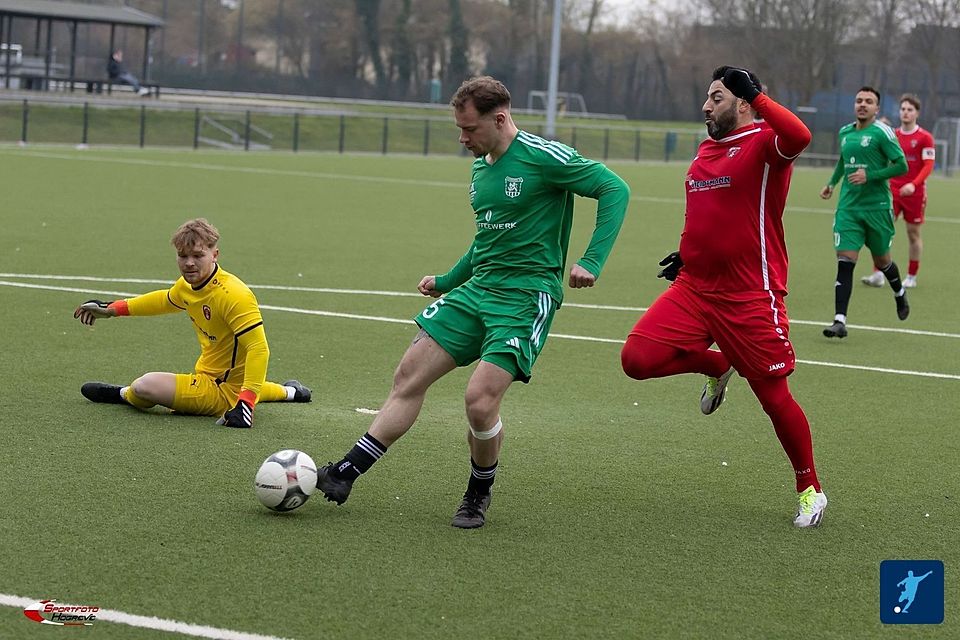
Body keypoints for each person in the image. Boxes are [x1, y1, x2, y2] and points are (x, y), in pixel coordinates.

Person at [312, 75, 630, 529]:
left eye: (470, 129)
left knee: (480, 401)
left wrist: (591, 260)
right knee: (408, 375)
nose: (462, 139)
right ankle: (347, 472)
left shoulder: (544, 157)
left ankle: (479, 490)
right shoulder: (481, 168)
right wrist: (447, 279)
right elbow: (486, 242)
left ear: (499, 119)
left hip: (525, 297)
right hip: (478, 290)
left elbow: (615, 189)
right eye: (459, 129)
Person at [620, 66, 827, 528]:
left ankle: (810, 488)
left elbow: (801, 135)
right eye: (707, 97)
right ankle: (716, 365)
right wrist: (687, 253)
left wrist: (757, 93)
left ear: (744, 102)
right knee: (637, 359)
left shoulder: (765, 144)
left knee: (773, 398)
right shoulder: (705, 150)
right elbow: (704, 212)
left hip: (749, 293)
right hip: (695, 286)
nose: (706, 106)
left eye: (716, 97)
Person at [73, 218, 312, 427]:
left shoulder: (233, 294)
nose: (189, 263)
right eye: (183, 256)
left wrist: (245, 404)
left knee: (145, 385)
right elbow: (164, 300)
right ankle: (293, 392)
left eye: (198, 256)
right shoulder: (187, 286)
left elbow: (259, 348)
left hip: (222, 390)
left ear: (214, 255)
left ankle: (123, 394)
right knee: (240, 384)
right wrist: (112, 309)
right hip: (214, 377)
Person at [820, 87, 909, 338]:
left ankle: (899, 293)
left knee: (883, 262)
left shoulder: (883, 133)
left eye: (869, 102)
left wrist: (870, 175)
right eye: (859, 100)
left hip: (877, 208)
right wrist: (831, 183)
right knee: (845, 261)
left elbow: (901, 165)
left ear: (877, 108)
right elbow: (843, 161)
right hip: (849, 208)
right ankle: (839, 320)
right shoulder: (845, 132)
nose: (863, 105)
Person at [862, 94, 935, 289]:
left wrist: (914, 184)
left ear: (917, 113)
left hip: (915, 193)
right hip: (891, 191)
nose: (906, 112)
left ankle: (911, 276)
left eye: (910, 109)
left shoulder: (925, 138)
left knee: (913, 234)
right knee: (882, 231)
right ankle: (878, 273)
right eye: (903, 109)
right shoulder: (892, 135)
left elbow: (928, 165)